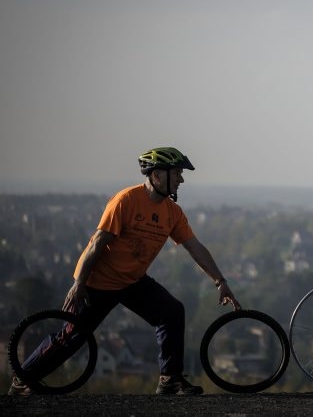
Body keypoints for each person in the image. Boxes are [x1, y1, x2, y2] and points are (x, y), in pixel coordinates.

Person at [8, 147, 241, 396]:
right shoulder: (126, 200)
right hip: (98, 282)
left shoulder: (172, 213)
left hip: (132, 281)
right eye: (177, 173)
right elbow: (97, 243)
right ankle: (23, 378)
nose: (181, 180)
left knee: (172, 312)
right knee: (72, 335)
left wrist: (220, 282)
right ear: (157, 175)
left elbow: (195, 247)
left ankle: (170, 379)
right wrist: (79, 283)